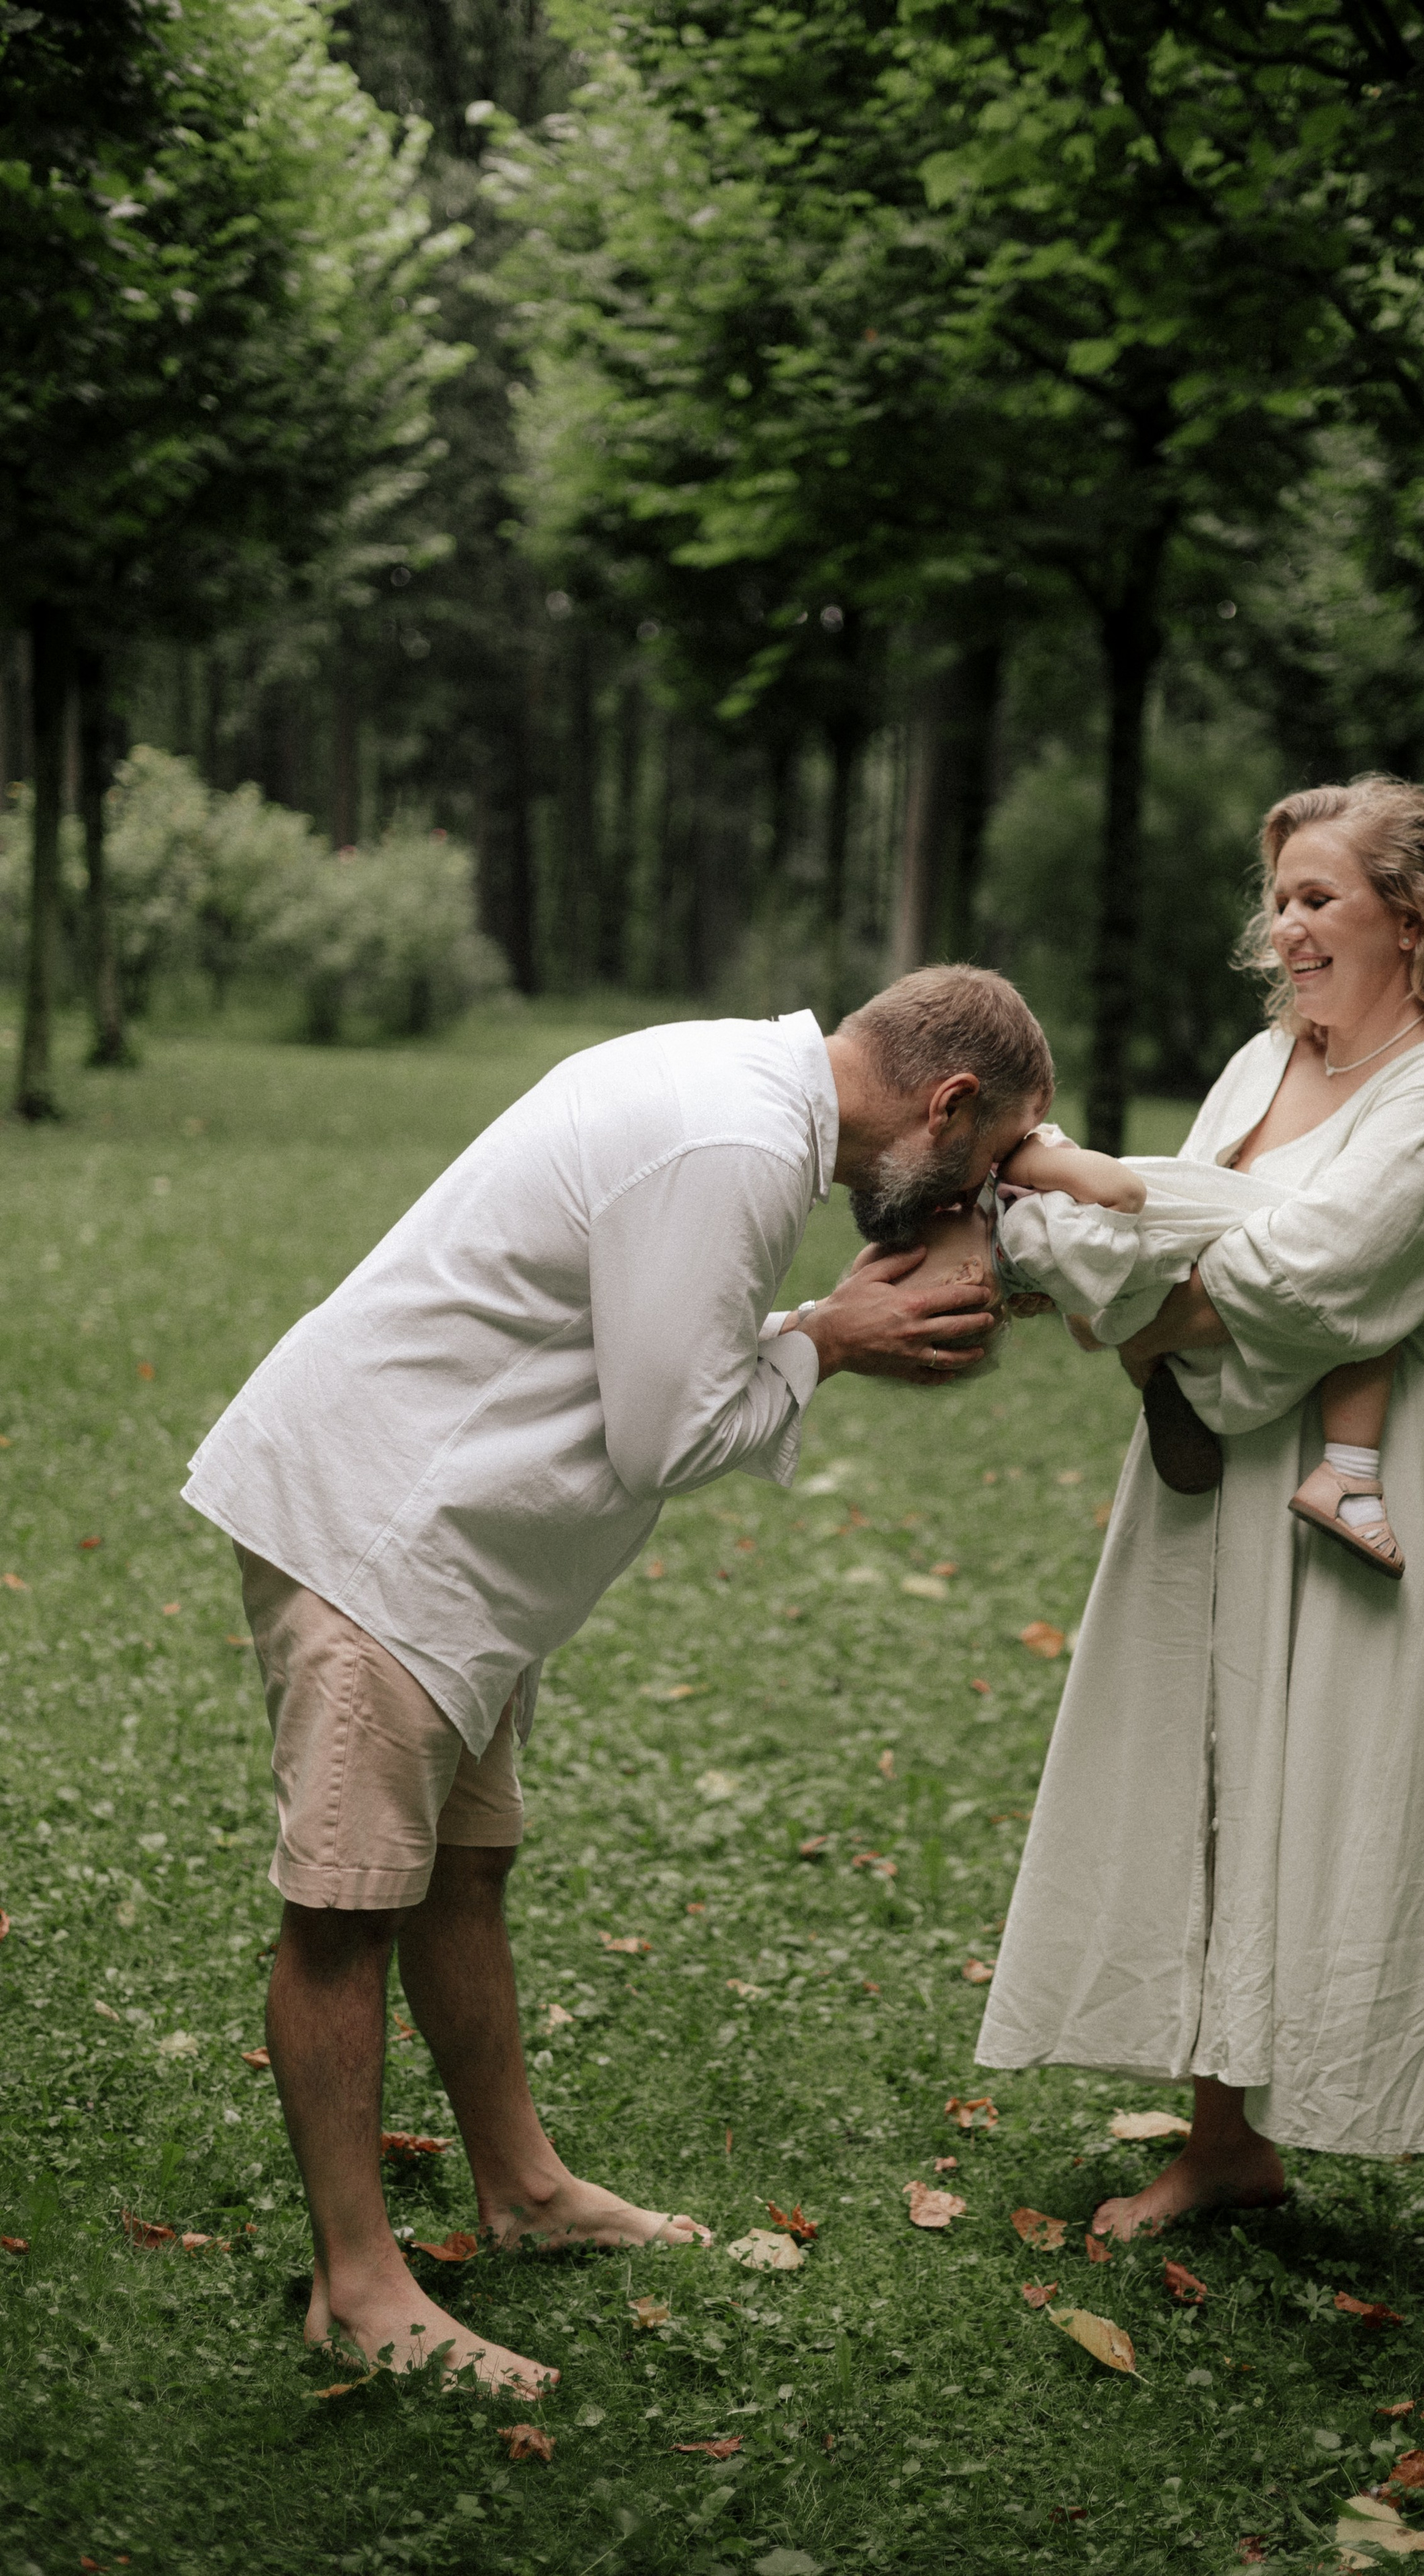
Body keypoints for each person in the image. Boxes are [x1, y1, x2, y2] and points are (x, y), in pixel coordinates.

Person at [184, 967, 1052, 2396]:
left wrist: (813, 1330)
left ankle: (523, 2191)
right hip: (377, 1525)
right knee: (347, 1908)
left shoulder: (745, 1096)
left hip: (453, 1548)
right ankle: (357, 2285)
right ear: (947, 1103)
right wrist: (830, 1342)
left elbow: (652, 1357)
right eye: (993, 1156)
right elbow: (670, 1432)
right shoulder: (738, 1138)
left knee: (463, 1870)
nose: (979, 1193)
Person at [976, 776, 1424, 2308]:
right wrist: (1135, 1279)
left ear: (1412, 911)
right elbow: (1143, 1239)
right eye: (1277, 900)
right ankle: (1226, 2140)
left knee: (1393, 1785)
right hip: (1207, 1461)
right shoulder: (1262, 1060)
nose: (1286, 926)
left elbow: (1313, 1277)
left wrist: (1135, 1296)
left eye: (1317, 896)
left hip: (1361, 1477)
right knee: (1211, 1770)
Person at [994, 1130, 1410, 1578]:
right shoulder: (1017, 1215)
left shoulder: (1014, 1205)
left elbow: (1115, 1207)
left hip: (1154, 1262)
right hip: (1170, 1253)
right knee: (1367, 1292)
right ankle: (1350, 1474)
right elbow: (1124, 1195)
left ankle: (1162, 1371)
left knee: (1354, 1289)